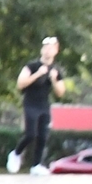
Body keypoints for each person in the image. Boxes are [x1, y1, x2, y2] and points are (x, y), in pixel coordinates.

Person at [13, 37, 63, 172]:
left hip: (44, 105)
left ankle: (36, 166)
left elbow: (60, 92)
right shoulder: (32, 66)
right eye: (46, 47)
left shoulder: (56, 70)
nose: (48, 51)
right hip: (30, 103)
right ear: (42, 50)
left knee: (43, 136)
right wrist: (37, 74)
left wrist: (53, 79)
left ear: (56, 51)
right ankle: (16, 153)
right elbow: (20, 84)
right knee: (30, 134)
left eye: (51, 48)